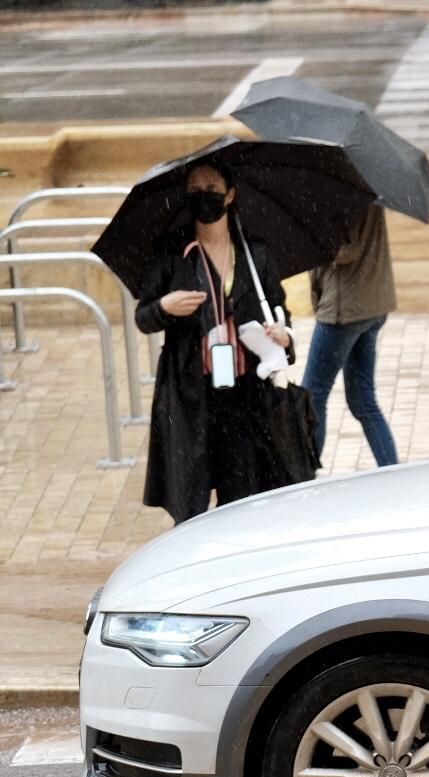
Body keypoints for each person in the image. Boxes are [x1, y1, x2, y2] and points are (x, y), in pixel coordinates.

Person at [133, 162, 297, 524]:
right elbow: (143, 317)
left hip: (245, 396)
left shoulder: (255, 253)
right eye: (194, 189)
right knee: (189, 499)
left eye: (211, 187)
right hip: (190, 393)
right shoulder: (171, 253)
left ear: (231, 194)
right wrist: (165, 306)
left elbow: (280, 312)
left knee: (243, 497)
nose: (203, 195)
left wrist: (284, 337)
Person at [305, 203, 398, 466]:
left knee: (312, 396)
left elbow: (344, 250)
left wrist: (314, 235)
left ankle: (305, 480)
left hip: (343, 309)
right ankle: (393, 474)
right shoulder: (367, 184)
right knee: (362, 399)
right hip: (371, 305)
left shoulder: (338, 191)